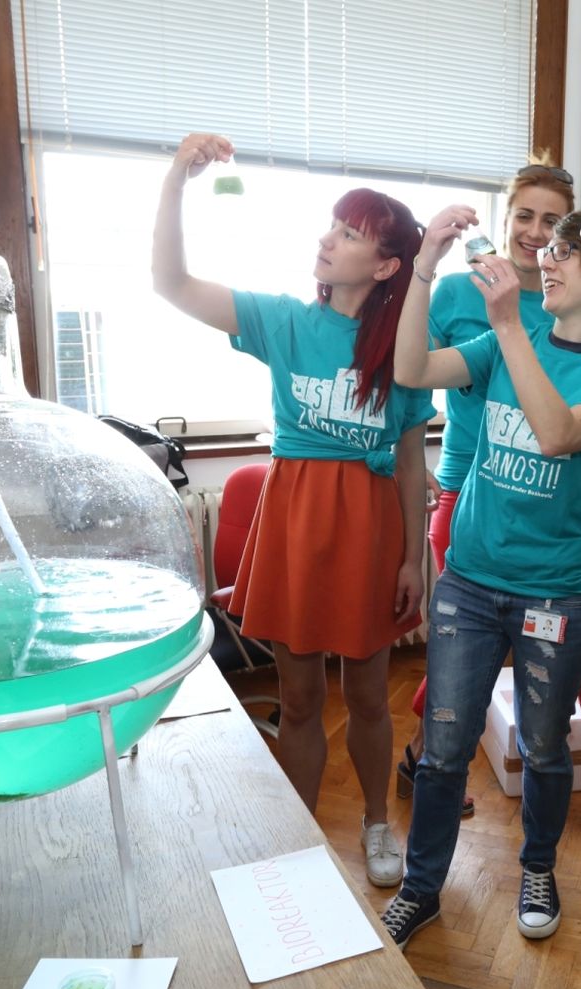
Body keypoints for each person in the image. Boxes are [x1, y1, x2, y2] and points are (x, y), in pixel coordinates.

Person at [152, 133, 434, 889]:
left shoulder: (405, 348)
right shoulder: (283, 320)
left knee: (369, 697)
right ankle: (300, 836)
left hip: (371, 529)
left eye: (350, 233)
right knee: (302, 699)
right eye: (332, 225)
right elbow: (171, 282)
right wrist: (178, 179)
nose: (327, 239)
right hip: (296, 524)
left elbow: (412, 461)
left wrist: (413, 558)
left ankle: (376, 823)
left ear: (385, 266)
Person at [379, 209, 581, 949]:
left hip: (555, 594)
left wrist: (505, 325)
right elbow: (410, 371)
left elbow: (558, 434)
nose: (546, 261)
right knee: (443, 749)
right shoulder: (506, 341)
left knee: (544, 746)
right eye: (548, 249)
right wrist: (424, 265)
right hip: (469, 584)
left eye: (568, 253)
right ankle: (421, 888)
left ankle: (537, 869)